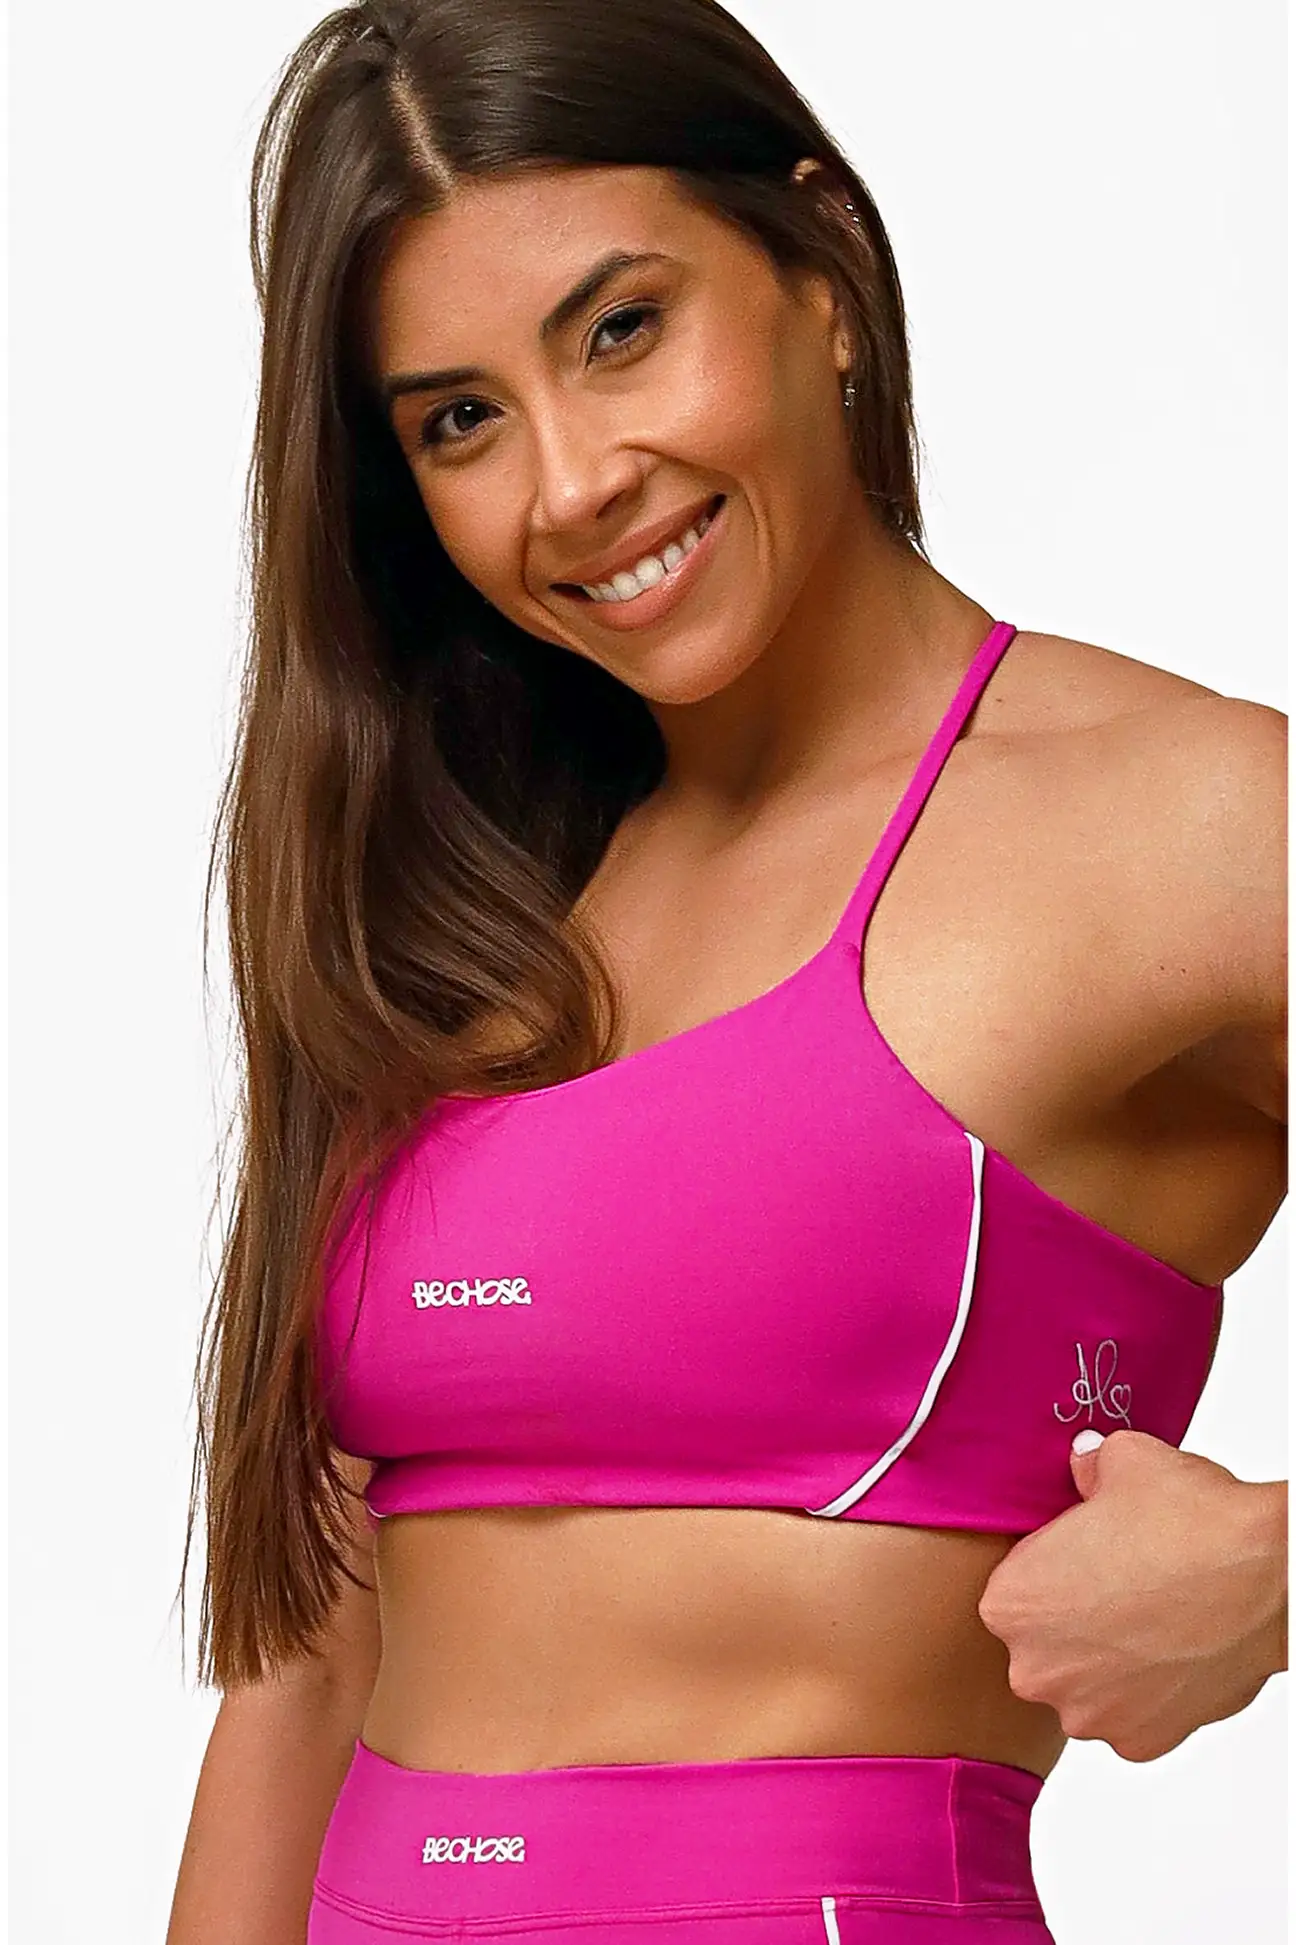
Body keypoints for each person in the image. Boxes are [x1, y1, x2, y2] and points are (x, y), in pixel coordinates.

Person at [167, 2, 1287, 1941]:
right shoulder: (471, 896)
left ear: (822, 267)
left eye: (621, 328)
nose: (572, 482)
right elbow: (310, 1665)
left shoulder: (1184, 825)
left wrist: (1277, 1573)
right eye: (459, 420)